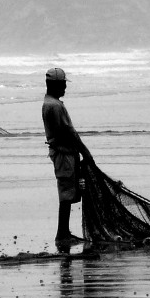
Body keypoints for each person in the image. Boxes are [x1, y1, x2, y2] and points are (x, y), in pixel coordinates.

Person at [42, 67, 93, 244]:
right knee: (66, 192)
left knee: (68, 190)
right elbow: (70, 132)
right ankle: (62, 234)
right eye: (63, 84)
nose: (65, 87)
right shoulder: (54, 106)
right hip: (63, 155)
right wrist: (86, 152)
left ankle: (64, 232)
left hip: (64, 153)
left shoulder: (51, 103)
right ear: (54, 84)